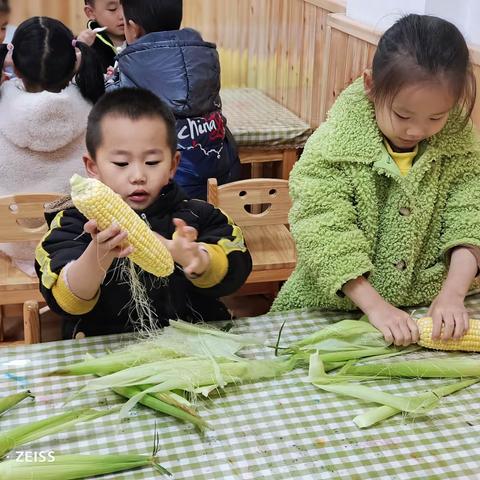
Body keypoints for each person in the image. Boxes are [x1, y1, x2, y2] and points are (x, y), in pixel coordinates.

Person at [271, 14, 480, 347]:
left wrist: (453, 295)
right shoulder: (332, 147)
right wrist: (376, 307)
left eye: (436, 117)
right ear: (371, 85)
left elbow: (469, 218)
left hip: (428, 306)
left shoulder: (461, 146)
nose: (416, 130)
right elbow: (323, 231)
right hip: (333, 308)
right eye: (402, 115)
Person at [35, 88, 252, 339]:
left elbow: (237, 266)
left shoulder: (198, 215)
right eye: (121, 163)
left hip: (194, 346)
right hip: (108, 351)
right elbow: (66, 302)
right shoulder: (73, 224)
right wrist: (97, 255)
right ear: (93, 167)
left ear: (173, 165)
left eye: (151, 162)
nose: (138, 176)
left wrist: (197, 259)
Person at [0, 16, 105, 276]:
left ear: (14, 64)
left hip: (14, 243)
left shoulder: (3, 105)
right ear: (75, 62)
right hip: (77, 241)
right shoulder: (95, 109)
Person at [107, 0, 240, 200]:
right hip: (223, 187)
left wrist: (110, 82)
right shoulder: (201, 56)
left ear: (132, 29)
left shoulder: (131, 69)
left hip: (161, 199)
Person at [77, 0, 125, 72]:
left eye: (127, 7)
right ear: (90, 12)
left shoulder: (144, 36)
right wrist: (79, 51)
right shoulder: (86, 45)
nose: (122, 15)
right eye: (112, 9)